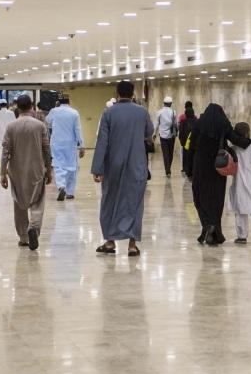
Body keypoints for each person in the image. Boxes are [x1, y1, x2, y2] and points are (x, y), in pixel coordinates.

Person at [92, 81, 154, 257]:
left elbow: (102, 142)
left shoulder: (108, 113)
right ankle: (132, 245)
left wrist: (97, 168)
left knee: (110, 201)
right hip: (137, 164)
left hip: (113, 165)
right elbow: (149, 132)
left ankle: (110, 241)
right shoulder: (142, 112)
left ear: (117, 93)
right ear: (133, 93)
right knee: (134, 202)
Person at [191, 104, 251, 245]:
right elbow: (236, 139)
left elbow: (192, 144)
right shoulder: (223, 123)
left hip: (201, 166)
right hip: (218, 167)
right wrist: (250, 142)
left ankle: (207, 225)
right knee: (216, 199)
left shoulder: (199, 123)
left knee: (199, 197)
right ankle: (214, 230)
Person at [1, 95, 52, 250]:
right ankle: (34, 228)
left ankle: (23, 237)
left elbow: (5, 151)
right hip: (36, 169)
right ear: (31, 107)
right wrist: (49, 170)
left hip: (16, 171)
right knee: (37, 201)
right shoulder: (39, 125)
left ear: (17, 107)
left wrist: (3, 173)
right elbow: (46, 149)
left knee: (19, 203)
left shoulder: (11, 126)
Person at [45, 96, 84, 201]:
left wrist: (55, 107)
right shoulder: (74, 112)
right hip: (70, 143)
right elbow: (78, 129)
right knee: (72, 166)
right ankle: (70, 192)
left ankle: (61, 186)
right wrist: (81, 146)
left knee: (58, 165)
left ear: (58, 102)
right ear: (69, 102)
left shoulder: (54, 111)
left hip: (56, 142)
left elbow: (47, 121)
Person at [154, 97, 178, 177]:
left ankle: (167, 171)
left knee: (165, 153)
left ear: (164, 103)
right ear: (170, 104)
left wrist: (154, 134)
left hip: (163, 136)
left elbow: (156, 124)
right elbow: (175, 124)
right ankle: (168, 169)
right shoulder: (173, 112)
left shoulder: (159, 112)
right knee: (170, 153)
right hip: (172, 135)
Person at [179, 103, 197, 178]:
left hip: (186, 143)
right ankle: (193, 170)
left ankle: (186, 169)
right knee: (193, 157)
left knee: (185, 156)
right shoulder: (196, 121)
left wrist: (182, 142)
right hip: (194, 143)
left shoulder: (183, 122)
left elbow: (181, 133)